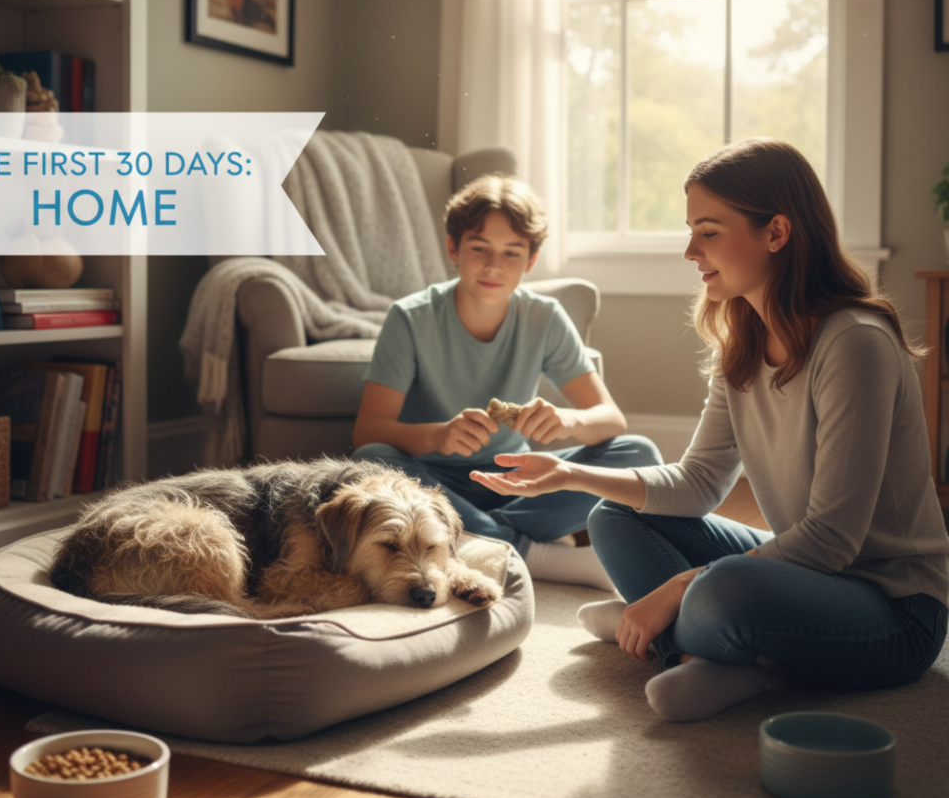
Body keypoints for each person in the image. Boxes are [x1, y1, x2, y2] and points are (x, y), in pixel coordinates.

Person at [470, 139, 949, 721]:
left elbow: (832, 539)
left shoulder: (855, 343)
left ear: (776, 232)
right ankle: (708, 654)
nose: (691, 250)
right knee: (612, 516)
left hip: (895, 611)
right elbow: (698, 483)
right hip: (806, 575)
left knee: (721, 592)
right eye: (690, 230)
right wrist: (569, 474)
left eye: (709, 231)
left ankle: (677, 629)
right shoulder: (741, 343)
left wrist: (676, 588)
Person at [352, 174, 662, 590]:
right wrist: (440, 436)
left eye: (511, 253)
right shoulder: (410, 317)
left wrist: (568, 422)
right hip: (432, 483)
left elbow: (611, 420)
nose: (493, 266)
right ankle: (537, 553)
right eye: (479, 248)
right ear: (453, 249)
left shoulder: (544, 317)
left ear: (531, 261)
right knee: (372, 458)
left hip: (518, 482)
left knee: (640, 454)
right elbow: (368, 430)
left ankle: (479, 537)